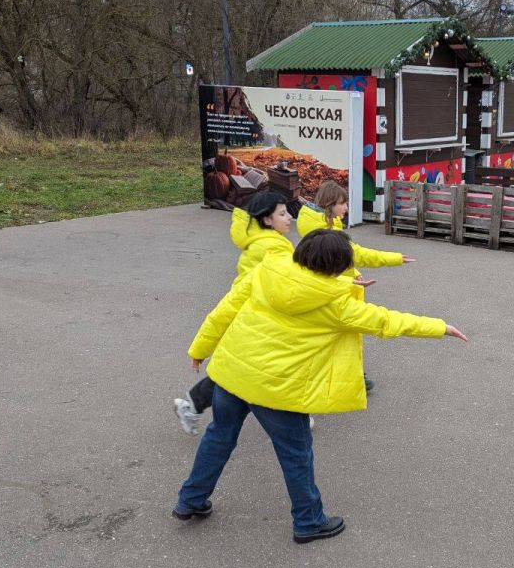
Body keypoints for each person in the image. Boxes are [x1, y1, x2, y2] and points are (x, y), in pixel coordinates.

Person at [173, 229, 467, 544]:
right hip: (276, 391)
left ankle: (190, 500)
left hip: (231, 374)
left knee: (219, 437)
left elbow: (226, 308)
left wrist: (199, 348)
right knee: (295, 453)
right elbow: (387, 322)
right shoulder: (337, 307)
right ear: (336, 268)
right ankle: (309, 520)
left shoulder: (268, 269)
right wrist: (441, 327)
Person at [173, 191, 295, 435]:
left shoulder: (266, 242)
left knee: (241, 370)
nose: (289, 217)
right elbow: (293, 279)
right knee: (245, 371)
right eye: (282, 214)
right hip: (258, 317)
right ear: (267, 220)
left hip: (258, 315)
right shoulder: (272, 248)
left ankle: (193, 403)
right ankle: (292, 414)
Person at [297, 180, 415, 391]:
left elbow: (342, 260)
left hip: (335, 287)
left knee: (340, 336)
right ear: (331, 203)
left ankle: (352, 375)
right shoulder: (324, 232)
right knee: (340, 335)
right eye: (343, 203)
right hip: (332, 292)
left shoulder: (325, 225)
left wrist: (354, 275)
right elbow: (354, 254)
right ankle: (343, 377)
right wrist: (394, 258)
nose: (346, 208)